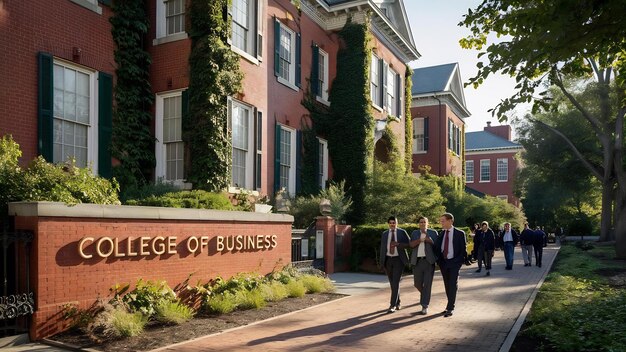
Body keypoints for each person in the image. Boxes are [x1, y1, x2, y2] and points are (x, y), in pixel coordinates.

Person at [397, 216, 438, 315]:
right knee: (417, 284)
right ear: (418, 224)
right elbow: (411, 245)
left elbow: (437, 245)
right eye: (421, 222)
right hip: (417, 262)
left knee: (427, 284)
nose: (422, 223)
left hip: (429, 261)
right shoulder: (415, 233)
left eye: (424, 222)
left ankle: (424, 305)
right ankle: (425, 296)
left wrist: (429, 240)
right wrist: (420, 240)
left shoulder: (433, 232)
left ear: (427, 223)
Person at [435, 212, 467, 317]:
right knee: (447, 285)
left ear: (450, 221)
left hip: (454, 263)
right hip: (444, 263)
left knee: (453, 285)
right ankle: (449, 305)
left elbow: (463, 250)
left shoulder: (460, 233)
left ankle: (450, 307)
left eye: (443, 221)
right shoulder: (441, 233)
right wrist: (439, 261)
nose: (441, 223)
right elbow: (437, 248)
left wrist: (458, 262)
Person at [378, 216, 410, 313]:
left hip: (398, 260)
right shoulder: (384, 234)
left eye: (394, 222)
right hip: (388, 260)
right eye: (391, 223)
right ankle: (398, 302)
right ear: (388, 224)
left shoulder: (402, 232)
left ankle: (392, 305)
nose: (392, 224)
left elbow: (409, 244)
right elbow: (383, 249)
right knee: (393, 283)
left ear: (397, 223)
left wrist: (398, 244)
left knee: (395, 282)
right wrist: (381, 262)